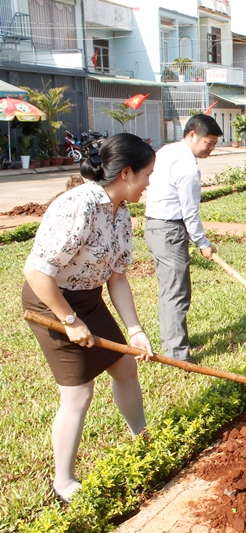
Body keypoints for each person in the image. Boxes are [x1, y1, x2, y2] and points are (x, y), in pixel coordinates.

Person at [21, 133, 156, 503]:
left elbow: (117, 276)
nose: (149, 183)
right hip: (50, 303)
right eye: (147, 174)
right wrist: (68, 320)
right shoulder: (78, 206)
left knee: (126, 368)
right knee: (78, 393)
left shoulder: (120, 210)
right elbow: (37, 272)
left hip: (89, 300)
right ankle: (63, 482)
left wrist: (135, 330)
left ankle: (141, 440)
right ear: (127, 173)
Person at [144, 114, 222, 363]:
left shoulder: (167, 150)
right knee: (176, 292)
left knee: (171, 289)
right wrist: (203, 244)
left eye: (214, 143)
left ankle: (176, 341)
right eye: (208, 142)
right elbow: (190, 211)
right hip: (169, 230)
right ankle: (177, 354)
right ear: (191, 135)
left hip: (155, 227)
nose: (211, 148)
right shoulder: (187, 167)